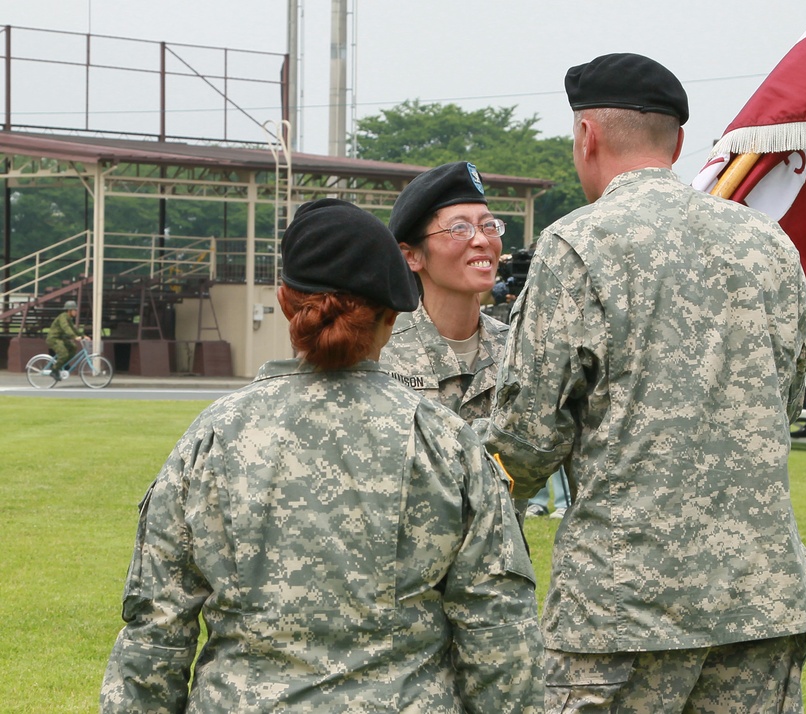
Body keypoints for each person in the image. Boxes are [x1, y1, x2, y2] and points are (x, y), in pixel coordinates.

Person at [486, 52, 806, 712]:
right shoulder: (767, 244)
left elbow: (525, 440)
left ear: (586, 135)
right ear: (677, 142)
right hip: (760, 599)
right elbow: (784, 399)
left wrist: (459, 492)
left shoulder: (577, 245)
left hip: (624, 607)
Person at [100, 198, 543, 713]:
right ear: (392, 314)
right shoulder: (447, 443)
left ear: (286, 303)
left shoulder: (214, 437)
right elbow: (499, 635)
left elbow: (155, 633)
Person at [380, 161, 509, 424]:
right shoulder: (379, 352)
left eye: (488, 225)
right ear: (411, 256)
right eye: (460, 228)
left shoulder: (517, 349)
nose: (482, 240)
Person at [46, 299, 87, 380]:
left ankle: (63, 365)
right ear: (69, 310)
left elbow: (74, 329)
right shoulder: (63, 317)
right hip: (54, 339)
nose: (76, 312)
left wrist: (83, 336)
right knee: (63, 353)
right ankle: (54, 370)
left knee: (73, 347)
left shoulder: (69, 318)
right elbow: (66, 328)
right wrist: (74, 337)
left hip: (61, 339)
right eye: (75, 310)